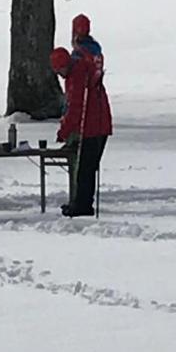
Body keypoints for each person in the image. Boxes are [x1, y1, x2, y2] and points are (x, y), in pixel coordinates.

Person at [51, 16, 112, 217]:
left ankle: (82, 205)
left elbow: (75, 106)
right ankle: (81, 203)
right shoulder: (94, 54)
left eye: (59, 70)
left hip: (92, 124)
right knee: (88, 168)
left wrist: (65, 130)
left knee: (84, 168)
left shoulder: (77, 71)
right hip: (101, 119)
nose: (60, 75)